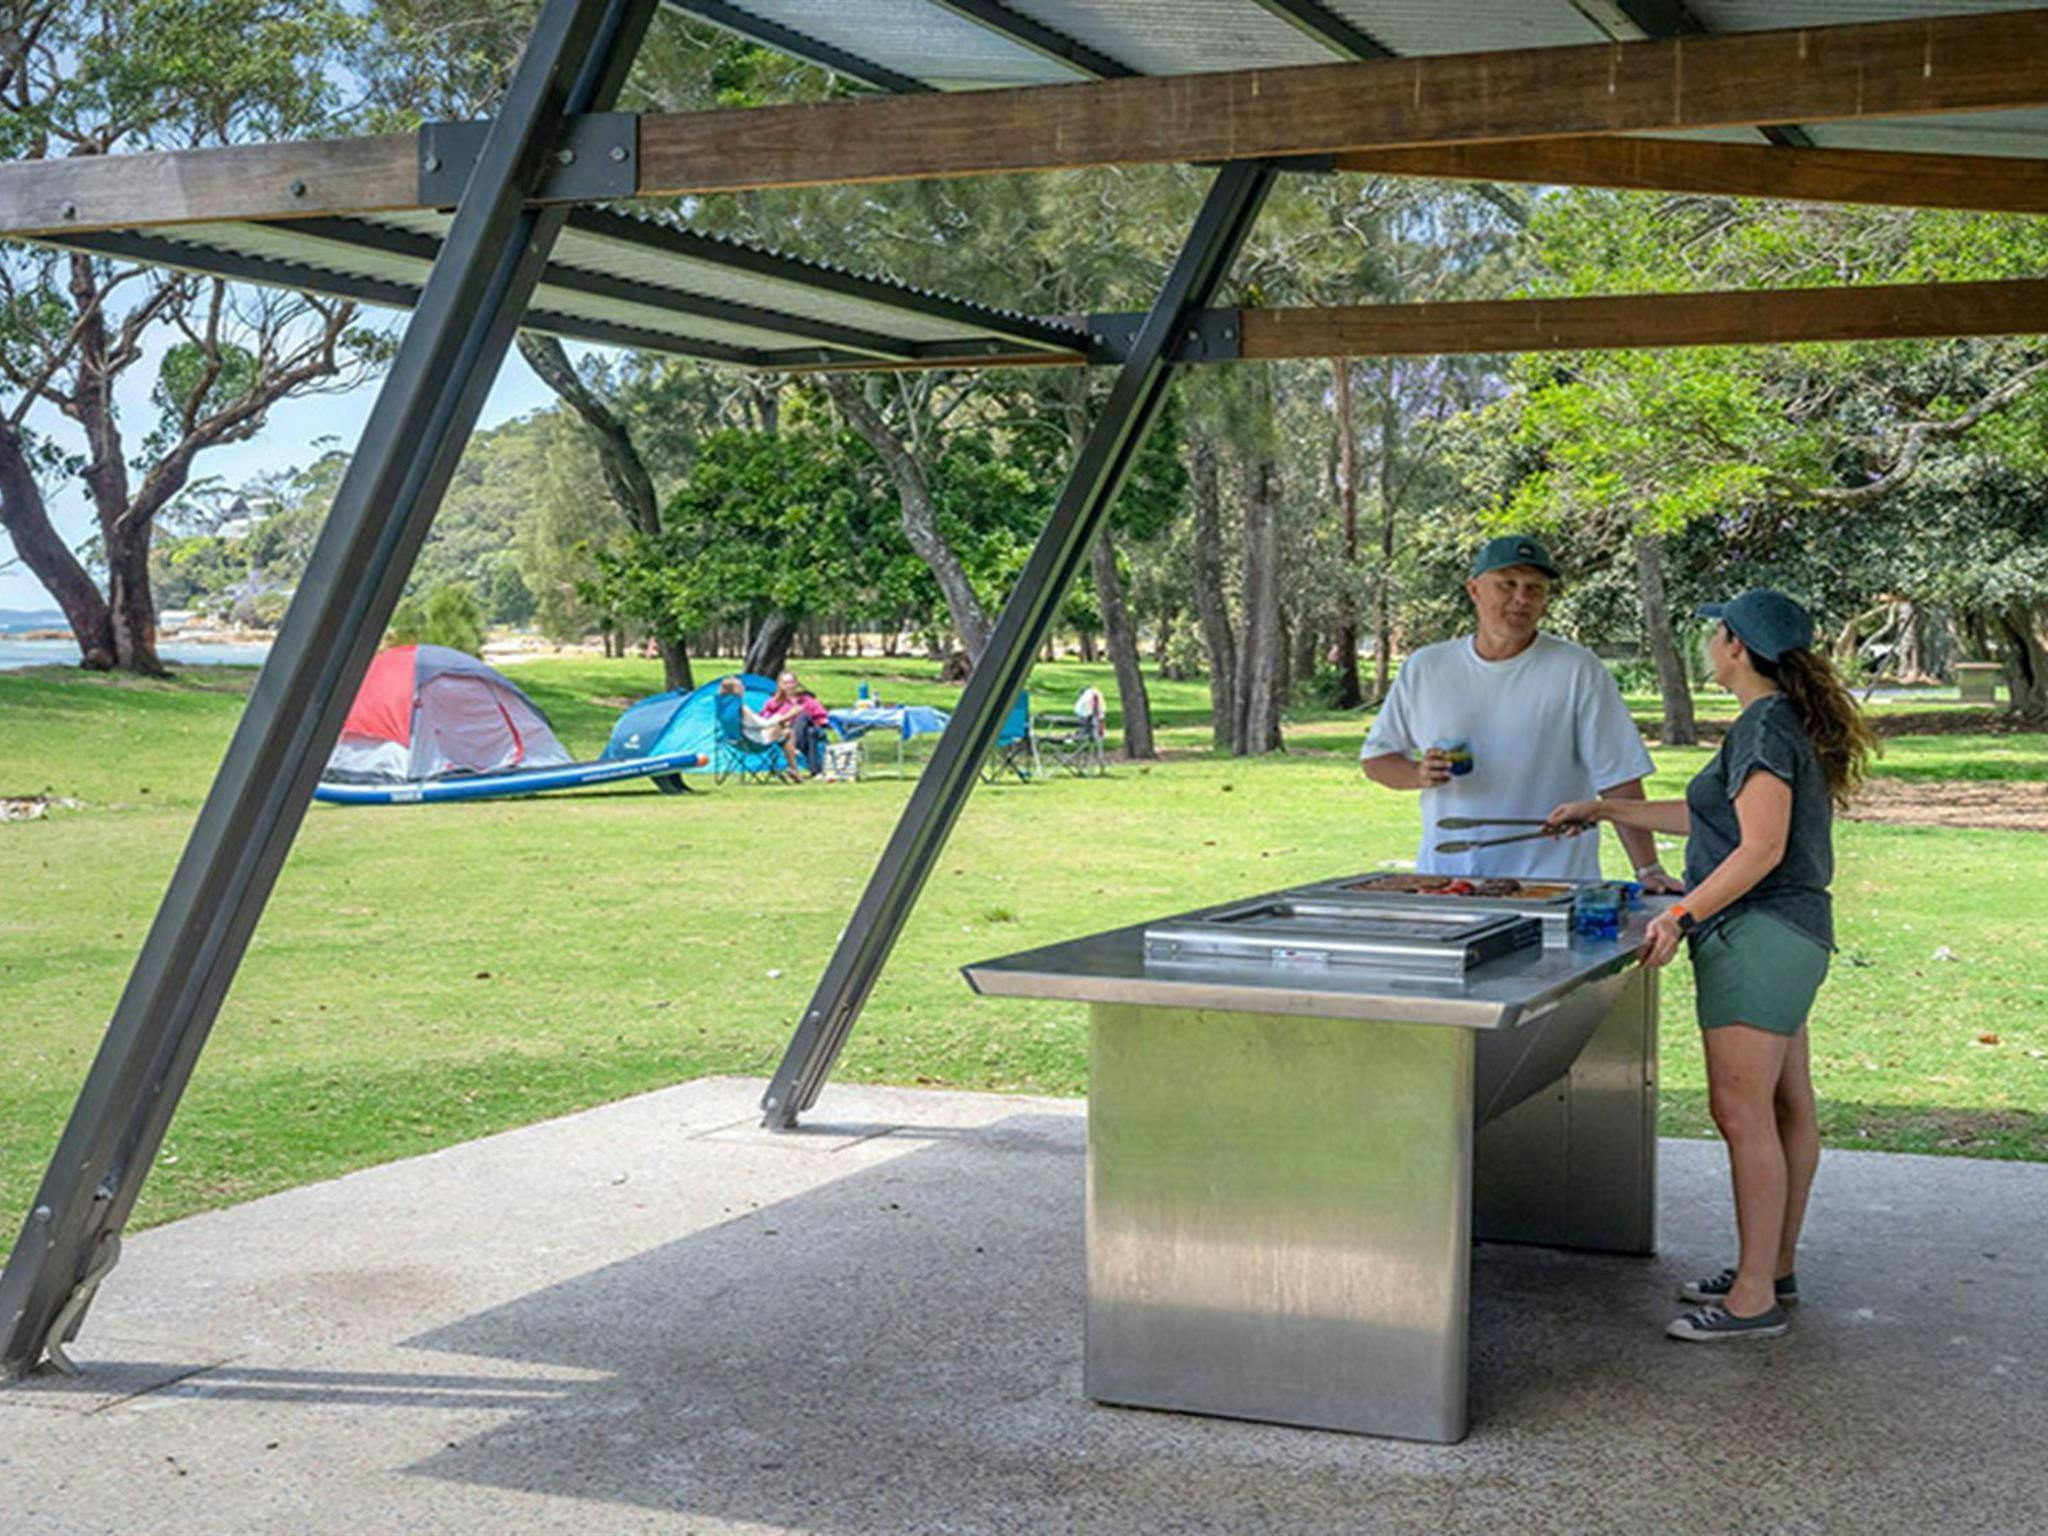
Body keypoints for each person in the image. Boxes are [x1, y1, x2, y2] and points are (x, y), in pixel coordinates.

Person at [1546, 589, 1877, 1343]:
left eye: (1715, 632)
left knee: (1741, 1112)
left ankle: (1752, 1300)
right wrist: (1603, 811)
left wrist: (1681, 913)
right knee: (1786, 1108)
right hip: (1788, 934)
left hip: (1758, 935)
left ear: (1734, 645)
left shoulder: (1764, 724)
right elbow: (1714, 818)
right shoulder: (1773, 722)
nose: (1710, 644)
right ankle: (1772, 1268)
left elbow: (1759, 848)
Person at [1360, 534, 1679, 888]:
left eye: (1535, 588)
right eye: (1507, 584)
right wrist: (1417, 774)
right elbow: (1377, 759)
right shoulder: (1426, 667)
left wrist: (1648, 869)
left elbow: (1618, 776)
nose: (1521, 598)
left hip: (1551, 885)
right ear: (1474, 590)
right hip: (1449, 881)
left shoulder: (1576, 669)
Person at [718, 676, 801, 780]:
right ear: (735, 690)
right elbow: (761, 724)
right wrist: (787, 715)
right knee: (788, 733)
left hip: (734, 742)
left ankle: (784, 766)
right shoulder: (741, 707)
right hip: (752, 742)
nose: (744, 688)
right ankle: (793, 768)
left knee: (780, 730)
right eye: (741, 686)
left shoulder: (722, 707)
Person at [761, 670, 832, 777]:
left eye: (791, 682)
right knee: (809, 730)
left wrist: (823, 722)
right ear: (780, 685)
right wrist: (787, 718)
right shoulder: (774, 703)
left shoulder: (807, 700)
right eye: (786, 683)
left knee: (806, 721)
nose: (789, 686)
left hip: (806, 730)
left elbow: (822, 715)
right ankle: (816, 770)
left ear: (796, 683)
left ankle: (797, 750)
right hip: (784, 733)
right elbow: (765, 719)